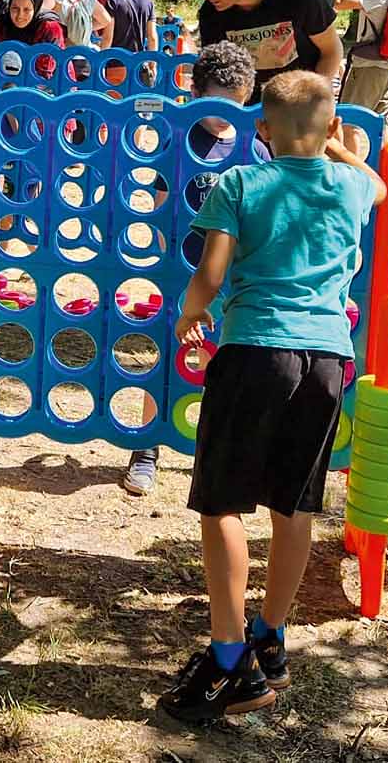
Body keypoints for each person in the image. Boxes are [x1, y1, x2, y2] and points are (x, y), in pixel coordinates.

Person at [158, 70, 385, 724]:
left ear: (261, 131)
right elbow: (378, 184)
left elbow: (211, 270)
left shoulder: (241, 182)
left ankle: (231, 659)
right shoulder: (349, 186)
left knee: (222, 505)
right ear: (331, 126)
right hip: (326, 362)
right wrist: (340, 145)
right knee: (294, 504)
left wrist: (186, 313)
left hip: (256, 351)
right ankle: (271, 634)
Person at [122, 42, 259, 498]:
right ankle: (146, 447)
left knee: (222, 361)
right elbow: (161, 204)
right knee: (165, 354)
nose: (225, 114)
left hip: (233, 278)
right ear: (196, 92)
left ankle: (216, 449)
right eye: (217, 101)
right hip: (182, 270)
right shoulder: (178, 139)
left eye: (236, 104)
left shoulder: (253, 147)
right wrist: (167, 261)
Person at [192, 0, 342, 94]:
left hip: (300, 102)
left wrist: (314, 96)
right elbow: (213, 74)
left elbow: (331, 50)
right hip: (247, 108)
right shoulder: (210, 13)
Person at [333, 0, 388, 117]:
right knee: (379, 123)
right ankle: (382, 145)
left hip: (369, 66)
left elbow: (339, 4)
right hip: (386, 64)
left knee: (349, 120)